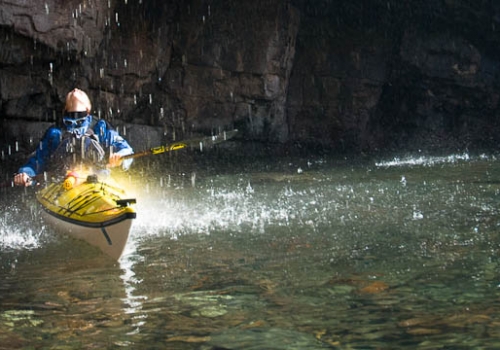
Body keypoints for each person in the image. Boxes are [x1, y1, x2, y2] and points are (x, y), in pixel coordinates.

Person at [14, 88, 134, 186]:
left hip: (97, 180)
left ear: (88, 108)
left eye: (81, 93)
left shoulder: (99, 126)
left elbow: (127, 149)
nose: (75, 90)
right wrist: (25, 174)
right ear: (65, 109)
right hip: (62, 183)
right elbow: (37, 161)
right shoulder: (55, 132)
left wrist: (121, 157)